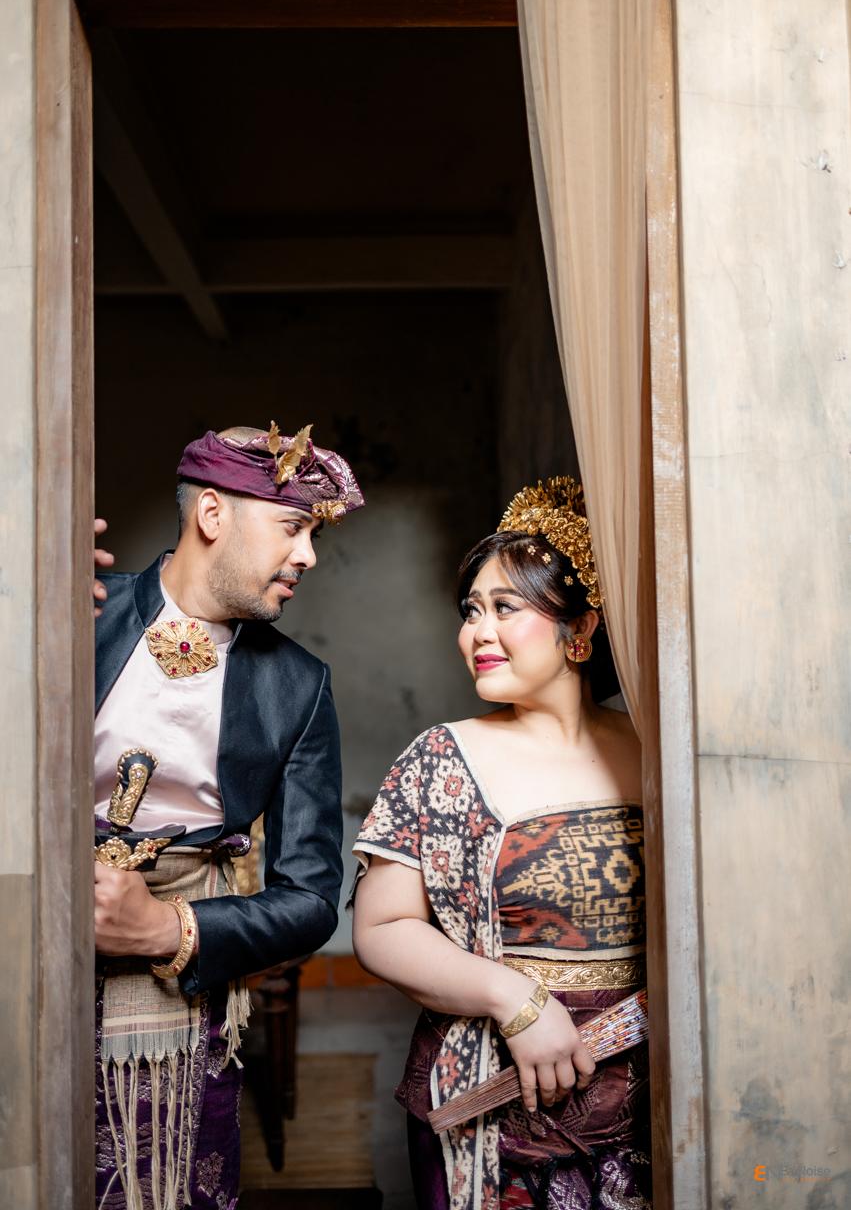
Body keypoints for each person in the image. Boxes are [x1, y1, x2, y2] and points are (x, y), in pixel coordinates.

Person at [352, 478, 650, 1210]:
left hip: (652, 1105)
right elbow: (382, 929)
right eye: (470, 611)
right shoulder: (439, 760)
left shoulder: (657, 751)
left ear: (579, 628)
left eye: (504, 608)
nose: (476, 633)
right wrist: (516, 1000)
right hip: (494, 1109)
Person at [92, 421, 364, 1210]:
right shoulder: (81, 613)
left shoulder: (298, 687)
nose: (308, 556)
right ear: (212, 514)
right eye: (291, 527)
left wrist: (166, 929)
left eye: (313, 535)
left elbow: (311, 899)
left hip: (180, 998)